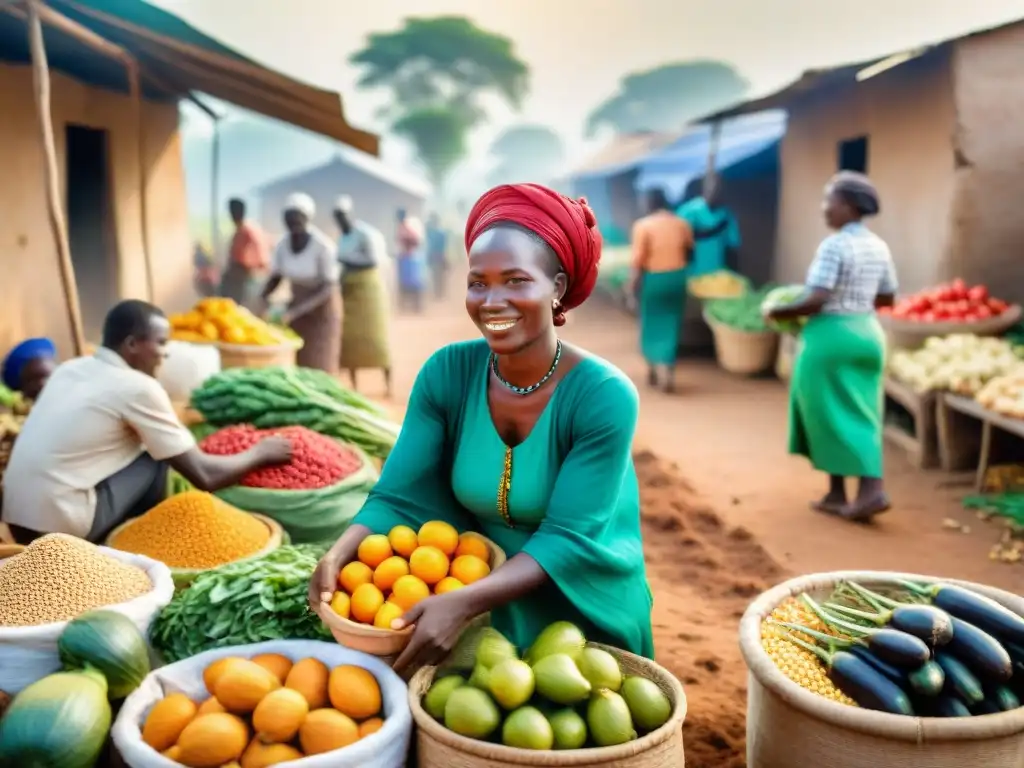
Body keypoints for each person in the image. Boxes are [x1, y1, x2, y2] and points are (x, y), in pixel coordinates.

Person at [309, 183, 654, 672]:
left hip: (578, 600)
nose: (492, 301)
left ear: (556, 287)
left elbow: (568, 539)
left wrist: (465, 601)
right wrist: (338, 553)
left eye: (516, 281)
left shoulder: (602, 395)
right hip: (464, 584)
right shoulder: (446, 375)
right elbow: (399, 496)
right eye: (478, 283)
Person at [1, 300, 292, 544]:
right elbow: (205, 476)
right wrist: (262, 452)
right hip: (60, 533)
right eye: (161, 343)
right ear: (131, 345)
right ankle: (140, 546)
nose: (165, 353)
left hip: (17, 524)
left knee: (146, 446)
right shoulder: (138, 386)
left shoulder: (70, 368)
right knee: (157, 459)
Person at [765, 171, 896, 522]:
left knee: (824, 413)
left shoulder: (834, 245)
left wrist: (777, 311)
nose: (825, 209)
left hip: (830, 338)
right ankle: (836, 494)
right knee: (861, 411)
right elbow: (887, 296)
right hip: (868, 334)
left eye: (830, 201)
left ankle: (871, 491)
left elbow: (817, 299)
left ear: (849, 205)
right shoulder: (878, 245)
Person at [260, 193, 342, 373]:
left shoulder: (323, 246)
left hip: (322, 309)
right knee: (299, 361)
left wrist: (296, 310)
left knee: (321, 363)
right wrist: (262, 297)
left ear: (307, 219)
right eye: (289, 221)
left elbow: (328, 288)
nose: (294, 225)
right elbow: (276, 277)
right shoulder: (283, 245)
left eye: (298, 220)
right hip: (297, 309)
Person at [629, 188, 694, 393]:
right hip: (677, 277)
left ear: (649, 203)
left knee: (651, 321)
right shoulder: (682, 223)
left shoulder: (643, 225)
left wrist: (633, 285)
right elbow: (690, 251)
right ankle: (668, 365)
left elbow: (639, 260)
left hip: (654, 278)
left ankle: (654, 366)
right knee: (672, 322)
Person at [333, 195, 393, 397]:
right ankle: (354, 386)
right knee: (350, 341)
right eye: (337, 217)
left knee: (378, 339)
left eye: (342, 216)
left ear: (350, 215)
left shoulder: (366, 234)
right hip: (349, 292)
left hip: (369, 291)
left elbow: (374, 261)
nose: (340, 220)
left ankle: (388, 386)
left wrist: (347, 261)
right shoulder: (342, 238)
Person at [676, 176, 740, 276]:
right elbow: (677, 242)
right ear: (704, 189)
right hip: (691, 274)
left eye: (720, 190)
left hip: (717, 275)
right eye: (712, 188)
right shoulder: (688, 211)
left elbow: (733, 246)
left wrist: (734, 273)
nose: (716, 193)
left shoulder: (726, 214)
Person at [221, 198, 270, 310]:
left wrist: (254, 267)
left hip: (245, 275)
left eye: (234, 211)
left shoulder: (249, 229)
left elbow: (261, 254)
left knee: (242, 308)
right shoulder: (240, 229)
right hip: (236, 275)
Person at [395, 208, 427, 313]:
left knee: (415, 283)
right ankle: (403, 307)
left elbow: (417, 240)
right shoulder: (400, 227)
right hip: (404, 257)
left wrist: (408, 245)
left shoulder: (410, 226)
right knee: (403, 284)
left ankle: (417, 307)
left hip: (413, 257)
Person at [425, 212, 450, 300]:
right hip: (436, 256)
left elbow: (442, 247)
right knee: (437, 277)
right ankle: (438, 294)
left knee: (438, 277)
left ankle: (439, 295)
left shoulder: (437, 232)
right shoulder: (436, 232)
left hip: (438, 256)